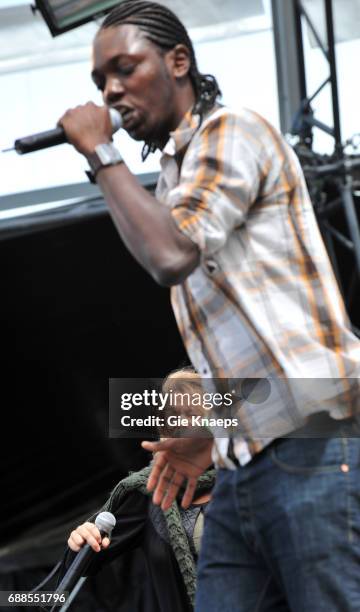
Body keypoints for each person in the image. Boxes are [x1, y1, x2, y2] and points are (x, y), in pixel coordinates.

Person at [58, 2, 360, 610]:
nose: (112, 90)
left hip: (315, 440)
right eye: (100, 82)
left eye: (124, 68)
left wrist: (101, 153)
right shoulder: (176, 179)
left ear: (178, 62)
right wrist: (212, 434)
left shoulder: (233, 131)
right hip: (246, 462)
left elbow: (170, 254)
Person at [63, 368, 215, 612]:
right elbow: (85, 563)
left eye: (193, 414)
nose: (184, 424)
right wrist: (80, 540)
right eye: (173, 417)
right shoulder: (147, 493)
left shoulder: (246, 474)